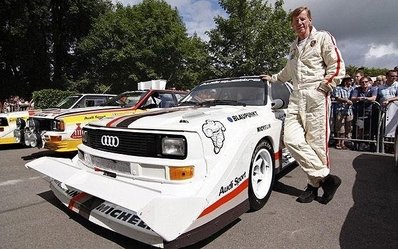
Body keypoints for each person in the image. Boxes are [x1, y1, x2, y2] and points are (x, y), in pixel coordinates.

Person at [261, 6, 345, 204]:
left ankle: (312, 187)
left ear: (309, 20)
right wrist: (272, 78)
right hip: (297, 96)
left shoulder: (323, 37)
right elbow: (288, 71)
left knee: (316, 144)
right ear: (292, 25)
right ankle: (327, 178)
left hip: (316, 94)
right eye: (295, 20)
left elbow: (337, 65)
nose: (299, 23)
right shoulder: (293, 47)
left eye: (302, 19)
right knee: (291, 140)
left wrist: (325, 86)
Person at [333, 75, 354, 149]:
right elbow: (337, 97)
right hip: (340, 110)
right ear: (345, 81)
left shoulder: (352, 89)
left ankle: (343, 142)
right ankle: (339, 142)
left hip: (349, 110)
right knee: (340, 127)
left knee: (348, 127)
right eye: (349, 80)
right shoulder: (338, 88)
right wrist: (346, 100)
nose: (351, 82)